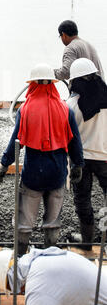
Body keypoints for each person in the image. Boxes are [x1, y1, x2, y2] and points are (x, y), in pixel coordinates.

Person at [0, 63, 84, 255]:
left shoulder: (25, 110)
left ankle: (20, 255)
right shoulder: (65, 109)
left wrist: (4, 164)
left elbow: (16, 142)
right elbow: (74, 141)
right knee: (53, 221)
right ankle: (50, 254)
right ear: (52, 84)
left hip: (33, 175)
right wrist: (78, 165)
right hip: (58, 174)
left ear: (33, 84)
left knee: (24, 221)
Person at [0, 247, 107, 305]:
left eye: (10, 289)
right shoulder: (38, 259)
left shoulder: (39, 287)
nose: (17, 293)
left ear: (11, 281)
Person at [67, 58, 107, 251]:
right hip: (105, 156)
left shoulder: (71, 105)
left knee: (83, 199)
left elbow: (68, 137)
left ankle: (87, 241)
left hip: (81, 160)